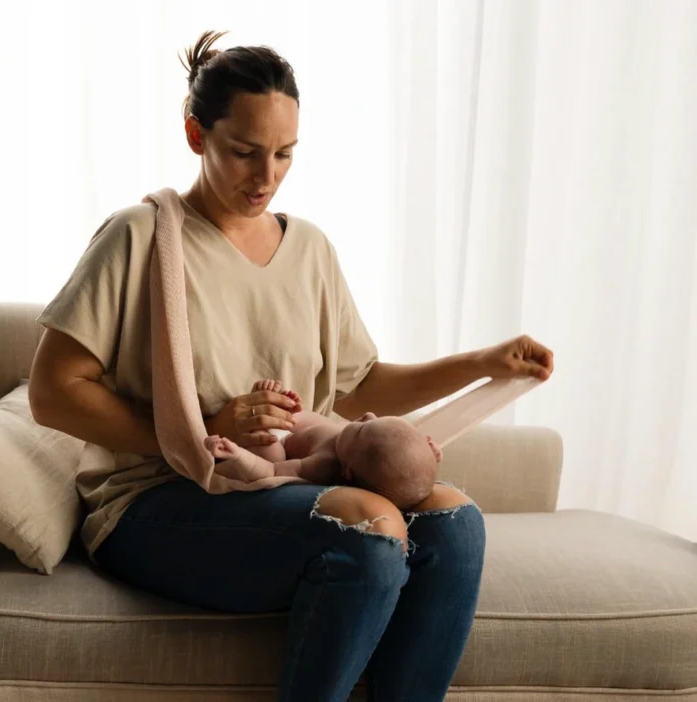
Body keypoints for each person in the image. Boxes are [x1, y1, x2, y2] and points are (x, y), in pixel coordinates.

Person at [28, 30, 555, 702]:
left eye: (284, 154)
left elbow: (362, 385)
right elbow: (53, 394)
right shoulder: (139, 237)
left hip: (280, 483)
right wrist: (201, 430)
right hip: (151, 501)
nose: (266, 174)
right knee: (368, 528)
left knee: (453, 522)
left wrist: (481, 362)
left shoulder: (310, 249)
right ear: (196, 134)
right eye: (244, 152)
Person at [206, 379, 444, 511]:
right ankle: (264, 406)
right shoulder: (361, 447)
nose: (368, 415)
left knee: (272, 451)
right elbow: (405, 463)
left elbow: (271, 473)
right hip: (291, 425)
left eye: (362, 427)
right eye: (377, 419)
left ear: (348, 470)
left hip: (275, 447)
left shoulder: (323, 465)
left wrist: (238, 455)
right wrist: (426, 454)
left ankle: (257, 425)